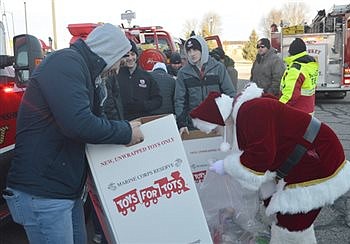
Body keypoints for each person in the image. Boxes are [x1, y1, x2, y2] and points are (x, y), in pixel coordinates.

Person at [2, 23, 144, 244]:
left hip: (63, 190)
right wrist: (126, 132)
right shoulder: (66, 63)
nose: (119, 67)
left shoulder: (82, 69)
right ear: (110, 51)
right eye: (120, 58)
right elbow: (78, 124)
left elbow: (89, 123)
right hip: (44, 193)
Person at [189, 83, 350, 243]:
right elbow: (267, 161)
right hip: (308, 155)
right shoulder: (246, 108)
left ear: (221, 121)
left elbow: (261, 157)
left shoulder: (250, 112)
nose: (218, 134)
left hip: (317, 158)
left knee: (289, 227)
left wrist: (226, 166)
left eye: (216, 130)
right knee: (292, 221)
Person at [174, 35, 236, 131]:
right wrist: (182, 123)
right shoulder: (183, 73)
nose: (192, 54)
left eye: (195, 50)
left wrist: (228, 116)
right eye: (189, 51)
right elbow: (179, 100)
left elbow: (229, 93)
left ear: (203, 49)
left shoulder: (218, 68)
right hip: (193, 123)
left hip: (216, 122)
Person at [108, 39, 162, 121]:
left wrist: (143, 105)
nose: (130, 58)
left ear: (137, 55)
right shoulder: (115, 75)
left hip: (142, 121)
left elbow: (158, 100)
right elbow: (110, 100)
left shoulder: (147, 76)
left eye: (132, 54)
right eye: (127, 55)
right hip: (122, 121)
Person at [279, 37, 319, 115]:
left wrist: (278, 108)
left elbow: (290, 95)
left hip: (296, 111)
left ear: (292, 52)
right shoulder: (310, 65)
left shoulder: (296, 69)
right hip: (308, 109)